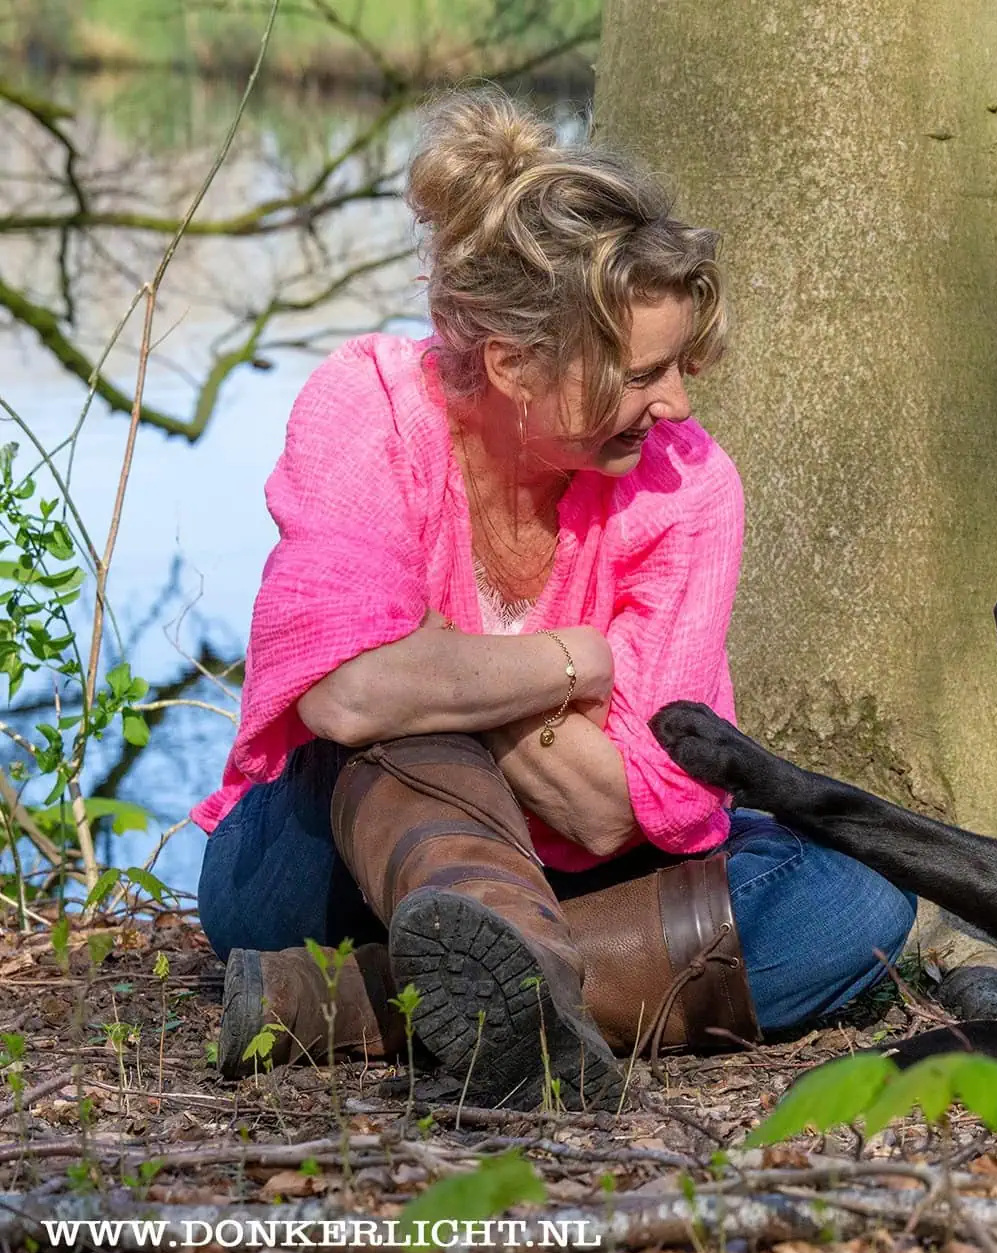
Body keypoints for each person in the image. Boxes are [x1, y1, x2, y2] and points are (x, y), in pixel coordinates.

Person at [194, 86, 915, 1109]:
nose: (676, 401)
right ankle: (508, 984)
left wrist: (441, 660)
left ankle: (351, 1004)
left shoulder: (687, 483)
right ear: (514, 362)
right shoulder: (371, 406)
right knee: (394, 737)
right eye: (642, 372)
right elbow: (346, 699)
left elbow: (615, 805)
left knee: (858, 896)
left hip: (578, 869)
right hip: (325, 868)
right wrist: (575, 660)